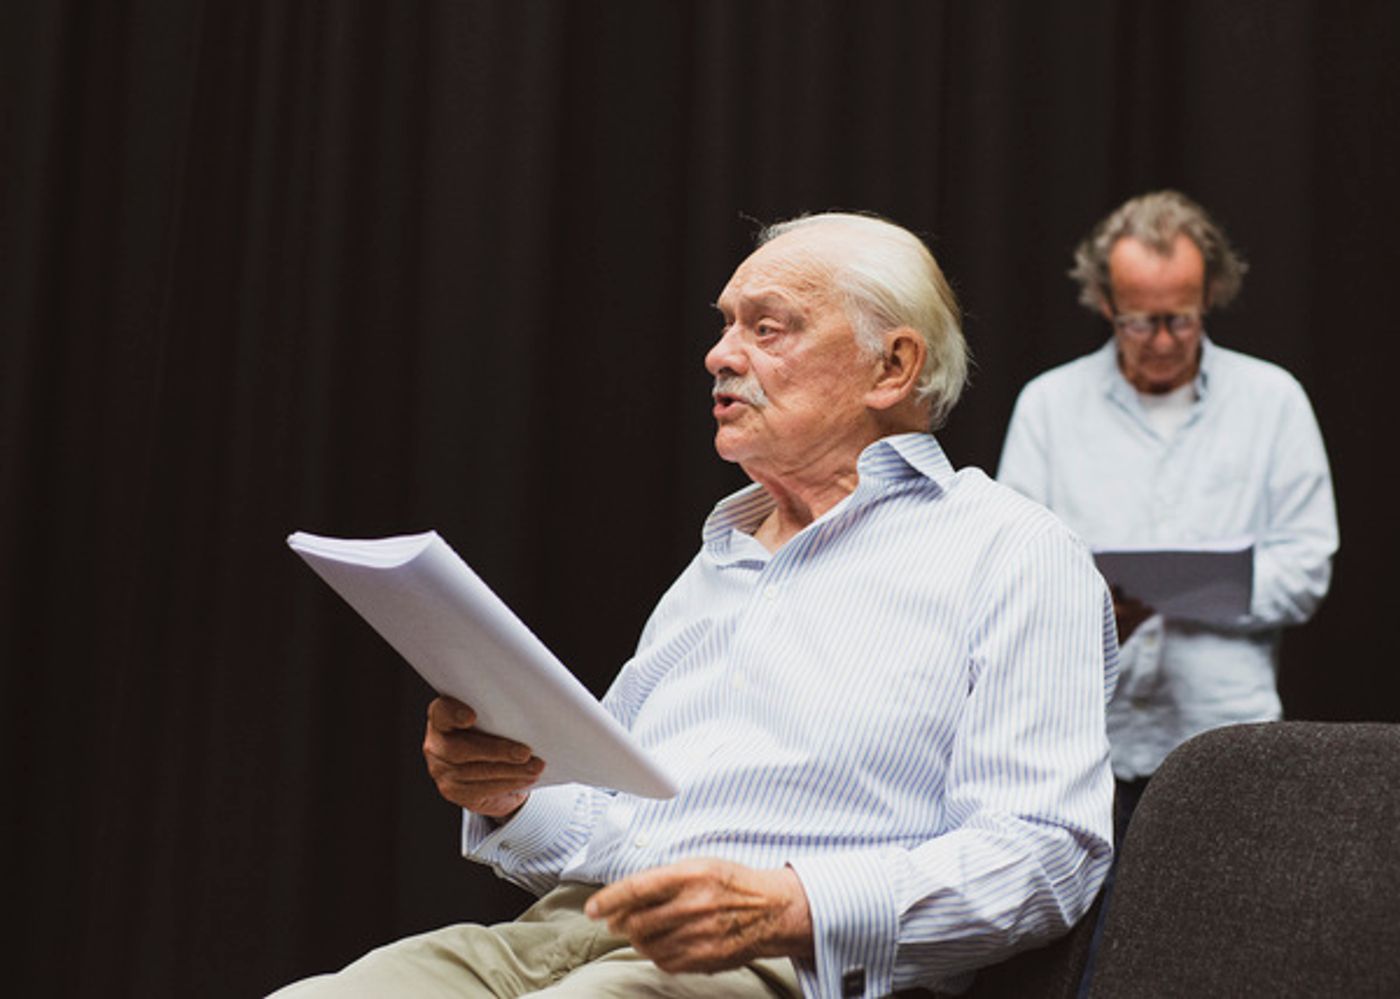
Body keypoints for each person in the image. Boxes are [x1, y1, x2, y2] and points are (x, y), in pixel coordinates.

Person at [272, 212, 1118, 999]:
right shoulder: (721, 557)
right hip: (572, 929)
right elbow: (618, 823)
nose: (720, 353)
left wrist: (792, 905)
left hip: (785, 964)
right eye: (724, 324)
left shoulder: (1012, 550)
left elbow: (1047, 855)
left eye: (767, 325)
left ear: (890, 367)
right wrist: (511, 792)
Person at [997, 189, 1339, 842]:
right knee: (1099, 943)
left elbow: (1306, 567)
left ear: (1209, 296)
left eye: (1178, 319)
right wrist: (1099, 607)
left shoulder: (1273, 401)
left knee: (1232, 935)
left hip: (1229, 741)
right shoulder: (1048, 405)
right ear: (1104, 302)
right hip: (1087, 742)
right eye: (1137, 321)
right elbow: (1015, 573)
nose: (1160, 340)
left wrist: (1197, 588)